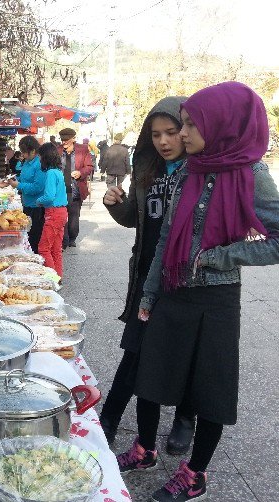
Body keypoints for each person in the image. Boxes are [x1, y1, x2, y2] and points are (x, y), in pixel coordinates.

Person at [117, 82, 279, 501]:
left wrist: (221, 257)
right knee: (150, 377)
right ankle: (145, 449)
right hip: (170, 290)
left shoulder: (251, 174)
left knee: (210, 390)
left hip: (215, 299)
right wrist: (149, 295)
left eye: (190, 125)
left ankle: (195, 473)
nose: (182, 135)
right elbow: (167, 236)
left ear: (221, 124)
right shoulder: (192, 169)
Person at [99, 97, 196, 452]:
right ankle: (109, 417)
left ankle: (186, 418)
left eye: (171, 132)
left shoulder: (202, 170)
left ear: (187, 129)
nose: (164, 141)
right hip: (146, 275)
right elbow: (135, 219)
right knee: (136, 349)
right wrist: (115, 205)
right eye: (155, 134)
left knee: (185, 353)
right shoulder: (148, 169)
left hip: (185, 281)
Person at [7, 135, 45, 253]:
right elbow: (24, 179)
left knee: (34, 239)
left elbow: (37, 187)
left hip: (37, 208)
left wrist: (18, 185)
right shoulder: (27, 163)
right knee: (27, 237)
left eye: (24, 152)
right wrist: (14, 179)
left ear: (33, 151)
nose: (22, 155)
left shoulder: (39, 164)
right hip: (27, 204)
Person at [35, 142, 67, 279]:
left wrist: (39, 201)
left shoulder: (50, 173)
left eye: (40, 156)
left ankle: (52, 278)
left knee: (43, 248)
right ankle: (58, 277)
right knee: (56, 249)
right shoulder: (58, 172)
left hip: (53, 213)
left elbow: (49, 196)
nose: (39, 159)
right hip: (62, 212)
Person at [57, 128, 93, 249]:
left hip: (76, 188)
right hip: (61, 189)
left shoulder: (82, 150)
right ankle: (64, 239)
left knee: (73, 215)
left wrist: (80, 173)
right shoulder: (58, 150)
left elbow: (89, 167)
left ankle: (72, 238)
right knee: (62, 215)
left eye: (67, 140)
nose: (64, 142)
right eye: (62, 140)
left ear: (73, 138)